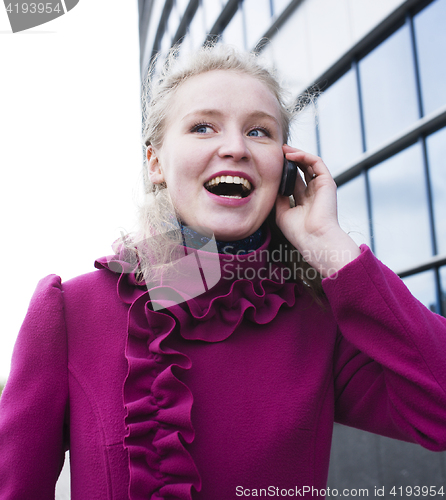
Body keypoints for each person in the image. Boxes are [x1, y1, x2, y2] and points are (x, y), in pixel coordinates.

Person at [1, 43, 446, 500]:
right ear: (156, 163)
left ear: (285, 167)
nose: (234, 147)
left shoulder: (319, 320)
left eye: (259, 132)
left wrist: (328, 244)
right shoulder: (72, 311)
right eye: (202, 127)